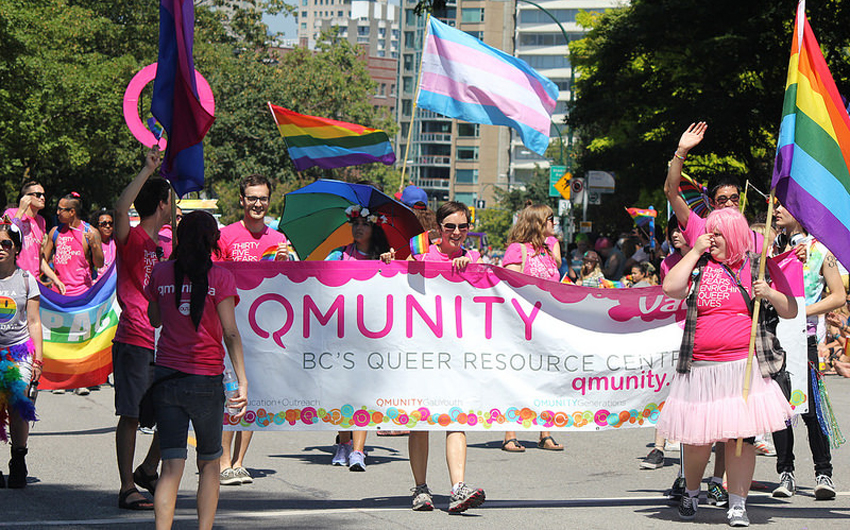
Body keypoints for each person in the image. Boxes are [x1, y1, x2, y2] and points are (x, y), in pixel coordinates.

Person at [659, 207, 797, 526]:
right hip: (701, 369)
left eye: (718, 233)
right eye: (710, 232)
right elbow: (670, 287)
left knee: (740, 440)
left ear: (735, 234)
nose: (712, 238)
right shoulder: (699, 266)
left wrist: (770, 293)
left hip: (743, 368)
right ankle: (691, 494)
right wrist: (694, 250)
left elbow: (790, 309)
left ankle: (737, 504)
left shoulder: (757, 268)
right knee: (697, 440)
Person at [146, 211, 248, 530]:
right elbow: (230, 333)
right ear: (213, 241)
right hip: (206, 379)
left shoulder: (161, 273)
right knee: (209, 464)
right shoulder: (220, 277)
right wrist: (242, 381)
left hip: (166, 377)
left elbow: (154, 319)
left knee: (171, 466)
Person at [405, 201, 485, 513]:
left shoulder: (474, 257)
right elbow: (399, 281)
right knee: (420, 420)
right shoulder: (423, 254)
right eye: (450, 226)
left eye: (463, 227)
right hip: (423, 348)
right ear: (439, 228)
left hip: (457, 351)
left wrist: (471, 271)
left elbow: (487, 292)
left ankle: (457, 488)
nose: (456, 232)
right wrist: (392, 262)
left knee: (457, 416)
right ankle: (421, 489)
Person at [216, 174, 288, 487]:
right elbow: (214, 277)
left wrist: (286, 265)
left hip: (264, 332)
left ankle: (239, 462)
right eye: (252, 198)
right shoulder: (226, 236)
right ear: (242, 200)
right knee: (232, 394)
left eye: (263, 198)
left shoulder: (278, 239)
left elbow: (288, 290)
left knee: (254, 397)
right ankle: (222, 461)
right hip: (230, 330)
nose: (257, 204)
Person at [770, 201, 845, 500]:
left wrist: (802, 311)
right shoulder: (770, 251)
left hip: (805, 339)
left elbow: (838, 296)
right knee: (780, 412)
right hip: (773, 340)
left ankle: (822, 472)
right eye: (775, 206)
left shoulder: (820, 252)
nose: (776, 211)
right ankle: (785, 472)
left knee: (812, 410)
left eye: (782, 206)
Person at [112, 149, 173, 510]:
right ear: (163, 204)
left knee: (173, 409)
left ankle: (149, 468)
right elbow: (121, 210)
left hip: (164, 342)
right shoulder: (131, 238)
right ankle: (125, 487)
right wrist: (147, 169)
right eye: (170, 201)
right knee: (131, 415)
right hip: (134, 338)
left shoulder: (165, 247)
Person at [325, 203, 391, 471]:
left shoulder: (384, 258)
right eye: (355, 224)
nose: (359, 228)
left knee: (363, 392)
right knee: (342, 391)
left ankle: (359, 451)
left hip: (372, 335)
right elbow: (318, 279)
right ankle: (343, 443)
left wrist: (390, 265)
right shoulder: (338, 256)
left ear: (374, 228)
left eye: (364, 224)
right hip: (341, 331)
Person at [498, 204, 563, 453]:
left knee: (547, 378)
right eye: (550, 219)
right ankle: (510, 433)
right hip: (522, 325)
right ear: (538, 222)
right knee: (518, 377)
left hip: (547, 324)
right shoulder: (518, 250)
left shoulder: (548, 250)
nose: (554, 223)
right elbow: (509, 286)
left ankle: (545, 432)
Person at [0, 217, 43, 488]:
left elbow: (35, 322)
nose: (0, 247)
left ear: (16, 248)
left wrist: (38, 359)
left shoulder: (27, 280)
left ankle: (18, 458)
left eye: (6, 243)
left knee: (18, 405)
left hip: (19, 353)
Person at [41, 192, 104, 296]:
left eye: (60, 209)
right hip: (58, 293)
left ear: (72, 212)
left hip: (82, 294)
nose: (57, 212)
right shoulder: (55, 232)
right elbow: (43, 261)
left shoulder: (91, 232)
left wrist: (94, 246)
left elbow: (99, 264)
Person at [4, 182, 47, 279]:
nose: (42, 198)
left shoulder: (41, 221)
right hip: (15, 276)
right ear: (26, 197)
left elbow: (39, 257)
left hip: (34, 280)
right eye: (38, 194)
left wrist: (56, 280)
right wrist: (21, 210)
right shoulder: (11, 213)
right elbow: (8, 234)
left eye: (44, 194)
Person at [92, 209, 117, 280]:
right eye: (104, 224)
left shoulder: (117, 242)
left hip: (113, 286)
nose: (108, 226)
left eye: (111, 223)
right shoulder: (91, 244)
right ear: (96, 226)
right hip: (96, 285)